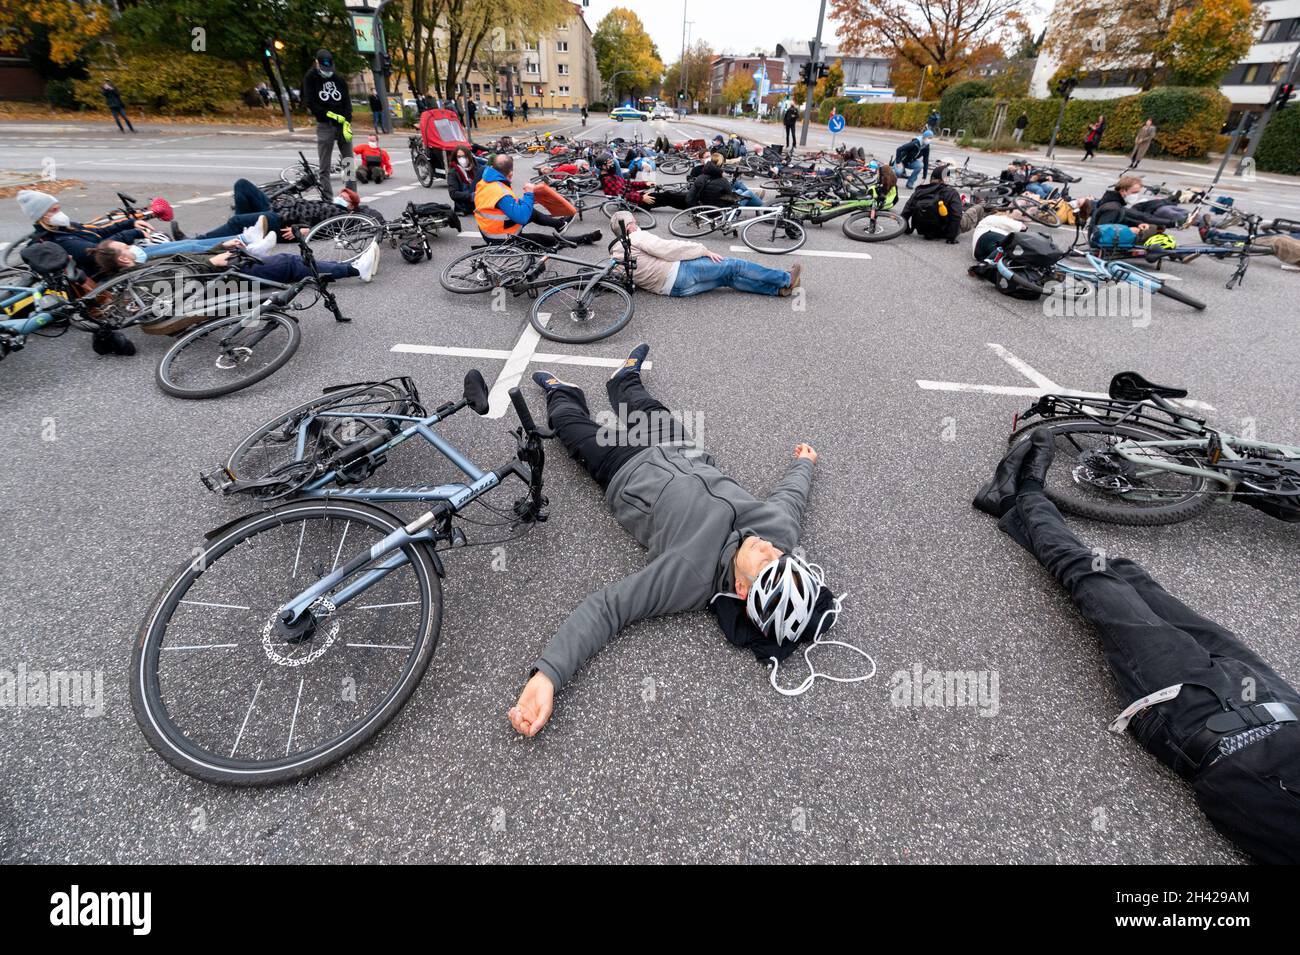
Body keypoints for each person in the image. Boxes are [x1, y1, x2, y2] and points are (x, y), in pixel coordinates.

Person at [973, 430, 1300, 865]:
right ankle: (1015, 511)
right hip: (1282, 703)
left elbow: (1224, 796)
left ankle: (1025, 495)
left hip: (1200, 721)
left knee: (1089, 577)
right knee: (1129, 576)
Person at [510, 345, 853, 736]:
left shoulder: (690, 577)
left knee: (566, 423)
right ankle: (623, 379)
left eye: (765, 565)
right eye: (782, 557)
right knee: (641, 402)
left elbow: (610, 608)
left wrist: (549, 675)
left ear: (741, 589)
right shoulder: (777, 533)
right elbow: (792, 499)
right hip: (683, 450)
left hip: (626, 469)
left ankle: (561, 390)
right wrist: (804, 465)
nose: (769, 549)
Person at [607, 210, 799, 297]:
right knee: (735, 265)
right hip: (679, 274)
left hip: (671, 291)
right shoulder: (635, 237)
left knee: (727, 278)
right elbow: (669, 249)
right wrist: (702, 250)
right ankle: (785, 279)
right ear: (630, 226)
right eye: (634, 221)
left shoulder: (616, 254)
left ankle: (776, 290)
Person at [473, 154, 599, 247]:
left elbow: (505, 206)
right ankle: (583, 239)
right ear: (510, 173)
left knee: (531, 211)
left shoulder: (486, 181)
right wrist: (529, 193)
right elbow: (521, 217)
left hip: (490, 228)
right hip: (499, 236)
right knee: (543, 240)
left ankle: (560, 224)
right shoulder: (499, 191)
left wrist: (527, 200)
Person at [16, 189, 150, 273]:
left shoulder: (65, 227)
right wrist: (132, 233)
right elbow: (98, 251)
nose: (60, 213)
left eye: (58, 208)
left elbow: (100, 232)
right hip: (103, 270)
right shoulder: (57, 239)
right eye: (54, 210)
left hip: (112, 259)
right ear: (41, 216)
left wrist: (131, 223)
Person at [302, 49, 355, 203]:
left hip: (342, 125)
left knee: (348, 163)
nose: (328, 72)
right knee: (324, 166)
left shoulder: (338, 79)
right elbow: (311, 102)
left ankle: (351, 197)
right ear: (317, 63)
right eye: (324, 69)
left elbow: (347, 101)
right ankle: (327, 200)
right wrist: (329, 115)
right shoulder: (311, 78)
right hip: (325, 125)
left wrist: (346, 119)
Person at [597, 155, 691, 210]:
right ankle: (690, 205)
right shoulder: (607, 180)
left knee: (667, 194)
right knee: (667, 196)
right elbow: (621, 195)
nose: (612, 164)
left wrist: (645, 184)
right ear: (603, 166)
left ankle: (690, 198)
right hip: (632, 203)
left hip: (634, 198)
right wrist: (641, 198)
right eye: (609, 163)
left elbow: (628, 184)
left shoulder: (611, 176)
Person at [446, 145, 481, 216]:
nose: (462, 159)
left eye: (464, 156)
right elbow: (453, 193)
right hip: (464, 205)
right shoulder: (453, 172)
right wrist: (471, 196)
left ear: (468, 156)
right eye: (459, 157)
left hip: (479, 201)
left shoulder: (475, 167)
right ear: (456, 158)